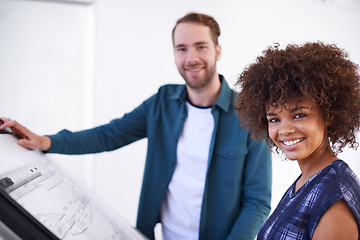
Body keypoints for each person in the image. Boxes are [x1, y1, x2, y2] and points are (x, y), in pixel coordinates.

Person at [0, 12, 272, 240]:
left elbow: (257, 202)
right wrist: (47, 142)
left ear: (217, 50)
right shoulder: (162, 103)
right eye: (182, 48)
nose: (191, 58)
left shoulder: (247, 114)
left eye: (201, 46)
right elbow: (108, 135)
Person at [235, 41, 360, 239]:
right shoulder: (308, 179)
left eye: (299, 115)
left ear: (328, 114)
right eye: (274, 119)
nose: (285, 130)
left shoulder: (334, 197)